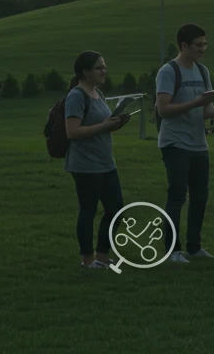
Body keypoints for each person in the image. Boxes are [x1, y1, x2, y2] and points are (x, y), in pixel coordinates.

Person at [154, 23, 214, 262]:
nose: (203, 49)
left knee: (200, 197)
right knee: (177, 196)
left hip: (199, 144)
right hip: (175, 143)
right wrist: (197, 103)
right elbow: (163, 110)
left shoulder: (202, 71)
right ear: (184, 45)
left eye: (205, 44)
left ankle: (195, 248)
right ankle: (173, 250)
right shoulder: (168, 72)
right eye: (198, 45)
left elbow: (204, 109)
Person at [64, 51, 131, 268]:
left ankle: (102, 256)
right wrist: (105, 126)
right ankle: (87, 259)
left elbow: (102, 126)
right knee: (88, 210)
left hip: (105, 162)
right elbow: (72, 132)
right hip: (85, 164)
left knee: (115, 208)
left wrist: (117, 123)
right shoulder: (76, 95)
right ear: (85, 72)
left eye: (104, 66)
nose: (104, 71)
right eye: (99, 68)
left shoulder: (98, 94)